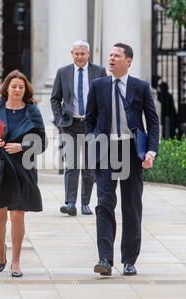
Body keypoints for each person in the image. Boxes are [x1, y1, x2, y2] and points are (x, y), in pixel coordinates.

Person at [85, 43, 159, 276]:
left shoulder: (141, 87)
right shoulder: (98, 86)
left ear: (129, 61)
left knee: (131, 206)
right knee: (104, 205)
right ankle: (105, 259)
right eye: (110, 55)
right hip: (106, 150)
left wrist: (151, 151)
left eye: (117, 55)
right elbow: (90, 119)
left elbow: (153, 122)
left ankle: (129, 260)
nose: (112, 58)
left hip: (131, 151)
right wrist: (93, 140)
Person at [0, 70, 47, 277]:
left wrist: (22, 146)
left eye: (21, 87)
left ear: (26, 90)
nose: (17, 90)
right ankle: (0, 250)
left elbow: (42, 142)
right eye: (14, 86)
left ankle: (16, 261)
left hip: (23, 169)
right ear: (6, 88)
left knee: (18, 215)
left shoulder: (33, 111)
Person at [51, 40, 107, 216]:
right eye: (76, 53)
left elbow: (105, 98)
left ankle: (85, 203)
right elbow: (55, 98)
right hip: (70, 124)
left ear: (88, 54)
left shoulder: (99, 71)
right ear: (72, 54)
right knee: (71, 165)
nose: (80, 57)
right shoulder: (63, 72)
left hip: (91, 125)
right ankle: (70, 203)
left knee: (89, 167)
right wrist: (60, 118)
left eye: (83, 53)